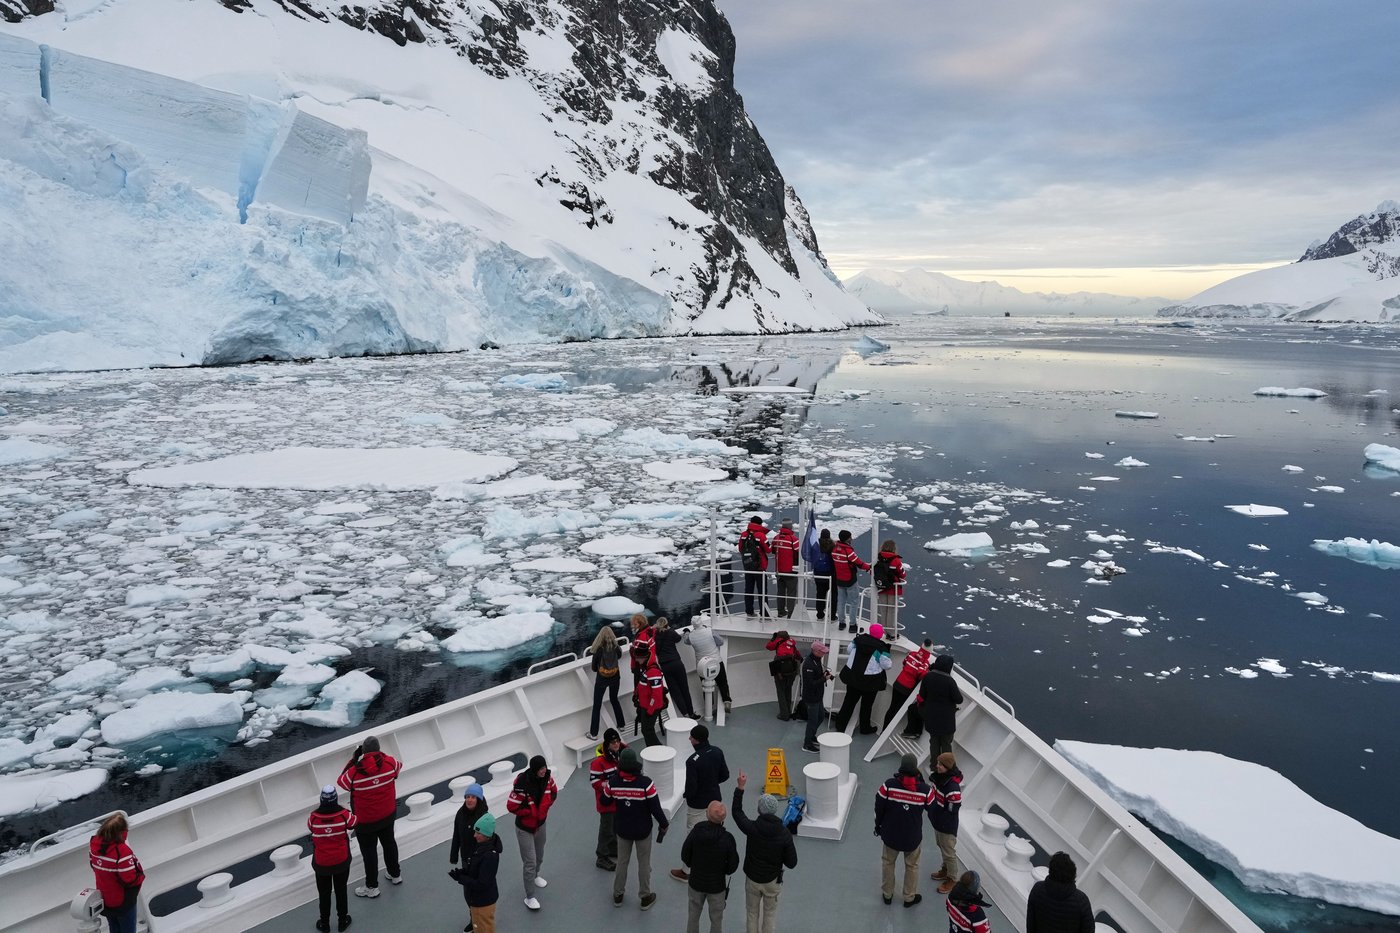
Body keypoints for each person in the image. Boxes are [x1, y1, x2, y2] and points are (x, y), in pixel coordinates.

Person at [337, 735, 403, 898]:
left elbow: (342, 782)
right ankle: (395, 875)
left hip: (365, 822)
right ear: (379, 750)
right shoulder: (389, 763)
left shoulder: (355, 772)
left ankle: (372, 887)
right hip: (387, 815)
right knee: (389, 844)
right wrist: (378, 755)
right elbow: (398, 767)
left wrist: (354, 759)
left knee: (369, 852)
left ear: (364, 752)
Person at [731, 771, 798, 933]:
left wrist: (740, 788)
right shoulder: (784, 834)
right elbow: (792, 862)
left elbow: (737, 813)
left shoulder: (752, 828)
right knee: (770, 915)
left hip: (753, 879)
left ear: (760, 810)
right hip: (772, 881)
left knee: (752, 913)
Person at [605, 746, 669, 911]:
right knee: (644, 864)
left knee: (622, 863)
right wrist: (664, 824)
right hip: (642, 831)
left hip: (622, 829)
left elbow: (605, 801)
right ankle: (645, 896)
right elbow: (655, 808)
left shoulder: (613, 782)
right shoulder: (646, 784)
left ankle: (618, 894)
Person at [874, 754, 937, 908]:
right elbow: (932, 809)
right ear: (916, 769)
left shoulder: (888, 786)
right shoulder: (924, 790)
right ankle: (909, 897)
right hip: (912, 838)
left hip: (890, 835)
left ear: (901, 767)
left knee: (888, 863)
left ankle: (887, 894)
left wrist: (878, 825)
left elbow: (879, 807)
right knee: (912, 866)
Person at [672, 724, 729, 882]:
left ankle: (687, 871)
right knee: (716, 833)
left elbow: (691, 787)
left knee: (693, 836)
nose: (689, 739)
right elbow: (725, 775)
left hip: (697, 805)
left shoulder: (692, 761)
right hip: (715, 799)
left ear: (696, 740)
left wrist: (686, 795)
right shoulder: (718, 752)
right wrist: (711, 782)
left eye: (691, 737)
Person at [506, 754, 558, 910]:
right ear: (535, 769)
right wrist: (530, 813)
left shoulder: (548, 779)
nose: (544, 770)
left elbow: (554, 792)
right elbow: (511, 806)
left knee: (539, 855)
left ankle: (536, 875)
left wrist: (544, 809)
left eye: (544, 767)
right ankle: (530, 897)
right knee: (530, 862)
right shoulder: (523, 784)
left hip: (541, 825)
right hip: (525, 829)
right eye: (541, 769)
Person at [681, 801, 740, 933]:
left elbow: (685, 854)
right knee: (716, 919)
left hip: (696, 883)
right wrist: (723, 871)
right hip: (717, 887)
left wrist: (692, 865)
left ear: (707, 815)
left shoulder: (696, 831)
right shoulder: (728, 839)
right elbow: (733, 865)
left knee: (693, 916)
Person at [308, 785, 356, 932]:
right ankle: (342, 921)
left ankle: (324, 923)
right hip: (341, 861)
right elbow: (354, 822)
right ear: (335, 799)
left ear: (321, 800)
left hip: (322, 863)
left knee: (324, 893)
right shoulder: (343, 815)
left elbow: (311, 828)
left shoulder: (313, 818)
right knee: (341, 891)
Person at [832, 623, 892, 734]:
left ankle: (840, 725)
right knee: (866, 706)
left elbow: (849, 650)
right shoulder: (881, 648)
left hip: (853, 678)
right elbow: (887, 665)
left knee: (848, 702)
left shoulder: (858, 640)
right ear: (880, 634)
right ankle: (865, 728)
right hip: (870, 682)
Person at [89, 813, 144, 933]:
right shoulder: (122, 851)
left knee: (114, 927)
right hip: (122, 900)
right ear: (121, 832)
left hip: (105, 897)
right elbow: (129, 879)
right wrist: (141, 877)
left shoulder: (94, 844)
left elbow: (93, 865)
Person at [449, 812, 502, 933]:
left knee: (484, 929)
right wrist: (462, 873)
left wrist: (461, 879)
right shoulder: (482, 847)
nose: (474, 835)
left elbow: (482, 884)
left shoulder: (489, 856)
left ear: (486, 834)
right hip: (479, 900)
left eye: (478, 832)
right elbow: (476, 869)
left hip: (483, 902)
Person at [1025, 851, 1094, 933]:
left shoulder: (1037, 890)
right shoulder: (1081, 901)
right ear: (1073, 873)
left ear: (1050, 871)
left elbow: (1030, 923)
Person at [589, 729, 624, 871]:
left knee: (615, 827)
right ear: (607, 744)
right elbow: (595, 782)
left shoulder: (620, 756)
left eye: (617, 741)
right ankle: (601, 857)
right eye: (613, 742)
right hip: (607, 803)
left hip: (617, 801)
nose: (616, 744)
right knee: (606, 829)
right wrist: (612, 786)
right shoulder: (598, 763)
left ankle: (612, 849)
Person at [883, 638, 933, 736]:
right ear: (930, 651)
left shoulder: (912, 654)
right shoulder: (925, 662)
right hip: (906, 689)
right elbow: (921, 674)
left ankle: (883, 730)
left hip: (897, 683)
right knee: (897, 711)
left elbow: (905, 663)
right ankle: (886, 734)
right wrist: (928, 671)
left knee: (892, 708)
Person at [682, 620, 732, 715]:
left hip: (702, 665)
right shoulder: (709, 631)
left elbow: (686, 642)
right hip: (716, 661)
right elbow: (720, 642)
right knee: (723, 683)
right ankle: (727, 701)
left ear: (693, 625)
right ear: (701, 623)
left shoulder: (691, 636)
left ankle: (710, 707)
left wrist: (687, 633)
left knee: (705, 686)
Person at [931, 752, 964, 894]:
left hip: (946, 825)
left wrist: (941, 816)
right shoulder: (939, 779)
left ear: (947, 767)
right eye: (938, 763)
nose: (937, 766)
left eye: (940, 764)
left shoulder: (952, 787)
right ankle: (945, 870)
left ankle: (952, 878)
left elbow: (953, 808)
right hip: (938, 821)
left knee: (949, 851)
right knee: (942, 846)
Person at [919, 654, 963, 760]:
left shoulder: (928, 676)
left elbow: (922, 695)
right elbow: (959, 699)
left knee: (934, 743)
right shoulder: (950, 682)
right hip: (946, 722)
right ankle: (946, 771)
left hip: (931, 718)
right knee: (946, 745)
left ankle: (935, 767)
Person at [654, 616, 696, 718]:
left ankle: (685, 714)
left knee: (675, 691)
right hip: (676, 663)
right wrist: (669, 629)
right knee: (684, 689)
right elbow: (678, 638)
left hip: (665, 666)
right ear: (666, 624)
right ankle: (691, 713)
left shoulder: (655, 636)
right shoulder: (671, 633)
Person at [588, 625, 626, 739]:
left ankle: (593, 733)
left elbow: (594, 668)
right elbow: (619, 656)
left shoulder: (598, 650)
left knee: (597, 705)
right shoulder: (616, 647)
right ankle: (621, 725)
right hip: (615, 677)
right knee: (614, 700)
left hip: (602, 680)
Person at [830, 529, 869, 631]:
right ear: (847, 539)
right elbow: (859, 563)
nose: (851, 539)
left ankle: (841, 623)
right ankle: (852, 625)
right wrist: (869, 568)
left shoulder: (834, 550)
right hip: (850, 580)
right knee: (854, 602)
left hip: (839, 579)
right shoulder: (848, 551)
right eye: (850, 537)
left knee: (841, 602)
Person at [800, 641, 832, 752]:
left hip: (817, 696)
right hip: (811, 697)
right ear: (815, 651)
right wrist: (824, 679)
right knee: (812, 720)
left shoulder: (817, 661)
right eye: (822, 652)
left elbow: (815, 677)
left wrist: (823, 675)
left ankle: (811, 735)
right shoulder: (809, 663)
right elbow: (811, 683)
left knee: (821, 716)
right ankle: (807, 744)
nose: (824, 654)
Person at [737, 515, 771, 618]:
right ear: (760, 524)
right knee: (762, 592)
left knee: (748, 590)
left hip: (748, 567)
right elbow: (768, 550)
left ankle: (749, 611)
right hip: (759, 568)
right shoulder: (760, 535)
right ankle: (764, 613)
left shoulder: (743, 535)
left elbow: (740, 549)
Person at [449, 783, 490, 868]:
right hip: (465, 858)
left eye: (473, 797)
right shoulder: (460, 814)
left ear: (478, 799)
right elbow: (456, 835)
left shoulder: (484, 816)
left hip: (480, 859)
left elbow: (489, 839)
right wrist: (454, 856)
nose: (469, 800)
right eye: (467, 797)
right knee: (467, 880)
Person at [764, 630, 801, 720]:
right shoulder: (792, 643)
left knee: (781, 692)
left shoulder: (778, 641)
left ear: (779, 637)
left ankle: (784, 715)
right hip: (791, 672)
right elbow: (798, 656)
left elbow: (768, 647)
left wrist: (773, 639)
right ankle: (788, 711)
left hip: (780, 672)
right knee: (788, 690)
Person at [634, 649, 669, 747]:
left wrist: (650, 710)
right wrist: (636, 697)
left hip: (651, 707)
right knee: (646, 730)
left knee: (647, 730)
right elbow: (642, 686)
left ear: (644, 658)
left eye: (637, 658)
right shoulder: (647, 669)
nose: (636, 660)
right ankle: (651, 750)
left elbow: (656, 694)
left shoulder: (653, 671)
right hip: (645, 706)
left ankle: (658, 749)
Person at [874, 539, 907, 634]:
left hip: (881, 588)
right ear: (894, 548)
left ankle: (885, 631)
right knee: (891, 611)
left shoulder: (877, 558)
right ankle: (891, 633)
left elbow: (874, 571)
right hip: (893, 589)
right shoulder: (895, 560)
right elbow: (902, 574)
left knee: (883, 610)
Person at [771, 519, 801, 618]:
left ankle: (781, 611)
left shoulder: (776, 538)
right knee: (791, 593)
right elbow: (799, 553)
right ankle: (790, 613)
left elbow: (773, 551)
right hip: (790, 571)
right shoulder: (793, 539)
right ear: (790, 527)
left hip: (779, 571)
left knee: (780, 592)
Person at [810, 528, 835, 621]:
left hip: (818, 573)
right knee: (832, 594)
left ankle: (820, 614)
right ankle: (832, 614)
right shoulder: (832, 545)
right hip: (829, 573)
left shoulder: (816, 545)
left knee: (820, 594)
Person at [629, 613, 657, 677]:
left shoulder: (642, 637)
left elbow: (637, 655)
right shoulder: (649, 632)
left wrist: (632, 649)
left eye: (635, 624)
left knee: (641, 686)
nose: (633, 626)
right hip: (651, 664)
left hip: (641, 667)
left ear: (641, 624)